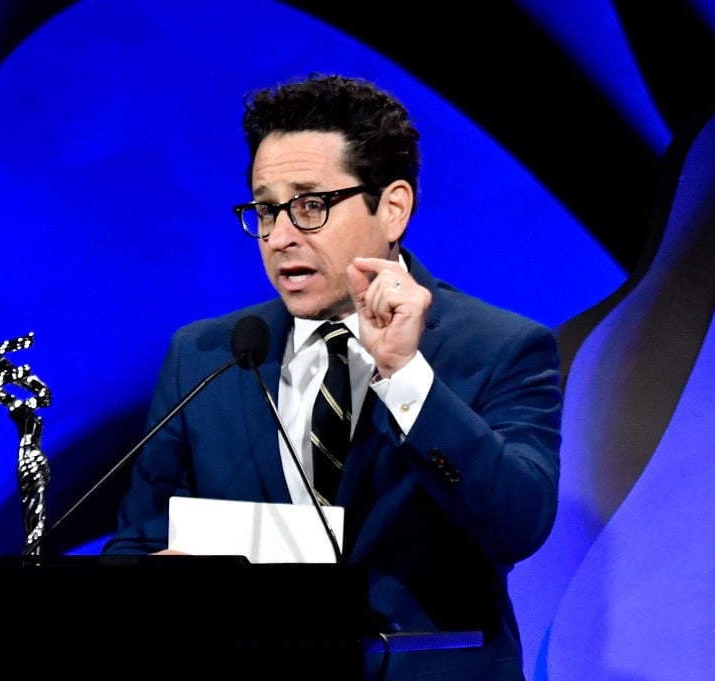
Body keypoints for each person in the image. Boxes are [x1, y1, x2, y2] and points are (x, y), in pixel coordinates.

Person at [102, 73, 562, 681]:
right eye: (265, 209)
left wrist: (404, 374)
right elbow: (134, 544)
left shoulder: (502, 347)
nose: (281, 236)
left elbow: (518, 523)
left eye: (310, 204)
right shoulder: (208, 354)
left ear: (392, 207)